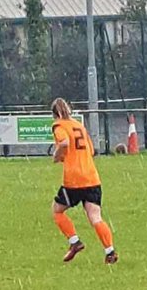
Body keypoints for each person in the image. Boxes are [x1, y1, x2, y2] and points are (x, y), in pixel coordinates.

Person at [50, 98, 118, 264]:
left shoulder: (59, 125)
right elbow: (92, 150)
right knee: (95, 217)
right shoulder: (79, 125)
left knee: (57, 211)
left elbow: (64, 143)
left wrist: (57, 155)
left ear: (55, 114)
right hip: (91, 177)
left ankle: (74, 242)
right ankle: (110, 252)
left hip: (73, 179)